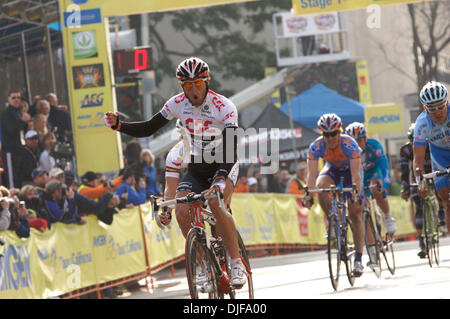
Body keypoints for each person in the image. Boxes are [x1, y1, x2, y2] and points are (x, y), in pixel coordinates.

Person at [104, 56, 246, 288]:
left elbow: (230, 148)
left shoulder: (224, 107)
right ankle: (202, 264)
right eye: (188, 85)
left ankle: (235, 260)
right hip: (197, 168)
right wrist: (121, 126)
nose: (193, 90)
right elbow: (150, 127)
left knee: (217, 204)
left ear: (207, 81)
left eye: (198, 83)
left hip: (224, 163)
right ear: (182, 86)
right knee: (182, 210)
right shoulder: (177, 103)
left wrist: (220, 177)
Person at [303, 113, 365, 277]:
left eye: (333, 133)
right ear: (321, 134)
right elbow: (311, 175)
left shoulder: (349, 144)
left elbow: (356, 175)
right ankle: (332, 221)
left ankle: (358, 259)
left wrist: (356, 194)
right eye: (326, 134)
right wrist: (309, 195)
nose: (330, 138)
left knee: (355, 213)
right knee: (320, 186)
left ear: (340, 131)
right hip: (332, 171)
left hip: (352, 173)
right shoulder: (316, 146)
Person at [400, 123, 445, 258]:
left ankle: (442, 212)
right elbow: (404, 171)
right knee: (418, 205)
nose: (415, 144)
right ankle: (421, 241)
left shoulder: (433, 146)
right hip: (418, 176)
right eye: (412, 141)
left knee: (440, 189)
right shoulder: (406, 150)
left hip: (434, 171)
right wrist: (405, 187)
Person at [345, 122, 397, 234]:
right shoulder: (346, 152)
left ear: (365, 139)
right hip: (359, 177)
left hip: (373, 172)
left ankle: (388, 217)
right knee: (360, 204)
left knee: (376, 189)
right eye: (353, 142)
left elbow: (384, 168)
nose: (357, 145)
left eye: (359, 140)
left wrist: (385, 186)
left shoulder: (374, 146)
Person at [413, 81, 450, 235]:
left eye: (441, 107)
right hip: (439, 156)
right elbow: (418, 160)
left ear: (447, 102)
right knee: (446, 201)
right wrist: (420, 182)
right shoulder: (422, 124)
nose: (438, 112)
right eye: (432, 109)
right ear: (425, 108)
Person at [1, 90, 30, 188]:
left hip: (20, 149)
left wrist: (26, 123)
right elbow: (11, 129)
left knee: (19, 176)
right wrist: (22, 121)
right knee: (11, 178)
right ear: (9, 99)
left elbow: (22, 130)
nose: (16, 100)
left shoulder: (19, 112)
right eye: (14, 98)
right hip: (10, 150)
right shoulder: (6, 114)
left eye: (18, 98)